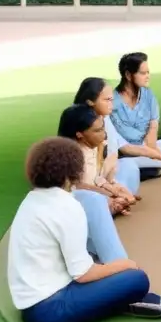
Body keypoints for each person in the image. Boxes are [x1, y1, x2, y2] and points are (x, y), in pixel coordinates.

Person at [7, 137, 161, 322]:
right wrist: (126, 265)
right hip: (50, 308)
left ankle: (113, 297)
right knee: (136, 278)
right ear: (71, 173)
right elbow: (82, 274)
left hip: (32, 303)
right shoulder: (67, 206)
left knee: (116, 271)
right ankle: (122, 301)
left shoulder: (32, 199)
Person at [56, 105, 136, 264]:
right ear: (80, 134)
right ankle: (120, 265)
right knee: (94, 200)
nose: (104, 134)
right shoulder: (69, 157)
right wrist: (109, 195)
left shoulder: (94, 146)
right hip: (82, 206)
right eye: (97, 130)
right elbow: (78, 187)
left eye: (103, 128)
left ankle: (115, 206)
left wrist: (114, 187)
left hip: (99, 193)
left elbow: (98, 177)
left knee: (129, 166)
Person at [73, 77, 142, 195]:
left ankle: (120, 196)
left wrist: (111, 183)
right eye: (107, 100)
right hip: (88, 185)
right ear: (90, 101)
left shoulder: (106, 118)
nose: (112, 105)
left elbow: (114, 152)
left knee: (129, 165)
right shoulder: (80, 125)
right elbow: (80, 181)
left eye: (112, 100)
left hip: (104, 176)